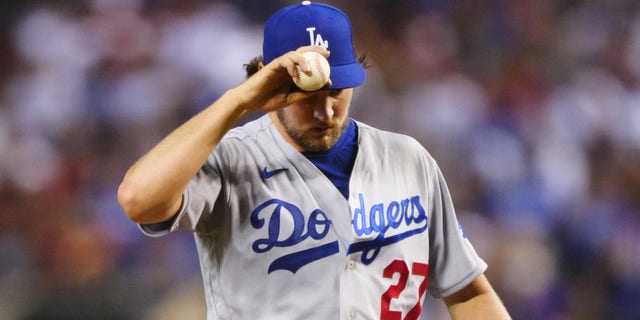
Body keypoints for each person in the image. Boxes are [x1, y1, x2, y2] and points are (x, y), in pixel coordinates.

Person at [117, 1, 511, 319]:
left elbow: (468, 292)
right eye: (306, 97)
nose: (325, 112)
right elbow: (139, 200)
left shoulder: (407, 158)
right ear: (264, 77)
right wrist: (238, 101)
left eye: (337, 91)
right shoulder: (229, 158)